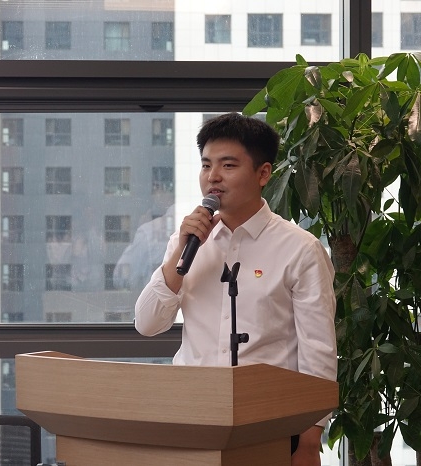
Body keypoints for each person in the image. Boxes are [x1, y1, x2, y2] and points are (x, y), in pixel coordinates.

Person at [134, 112, 337, 466]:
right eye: (206, 165)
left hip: (269, 423)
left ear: (263, 173)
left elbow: (317, 352)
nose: (213, 176)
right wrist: (179, 254)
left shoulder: (300, 249)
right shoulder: (186, 242)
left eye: (228, 165)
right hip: (191, 419)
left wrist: (309, 443)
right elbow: (147, 323)